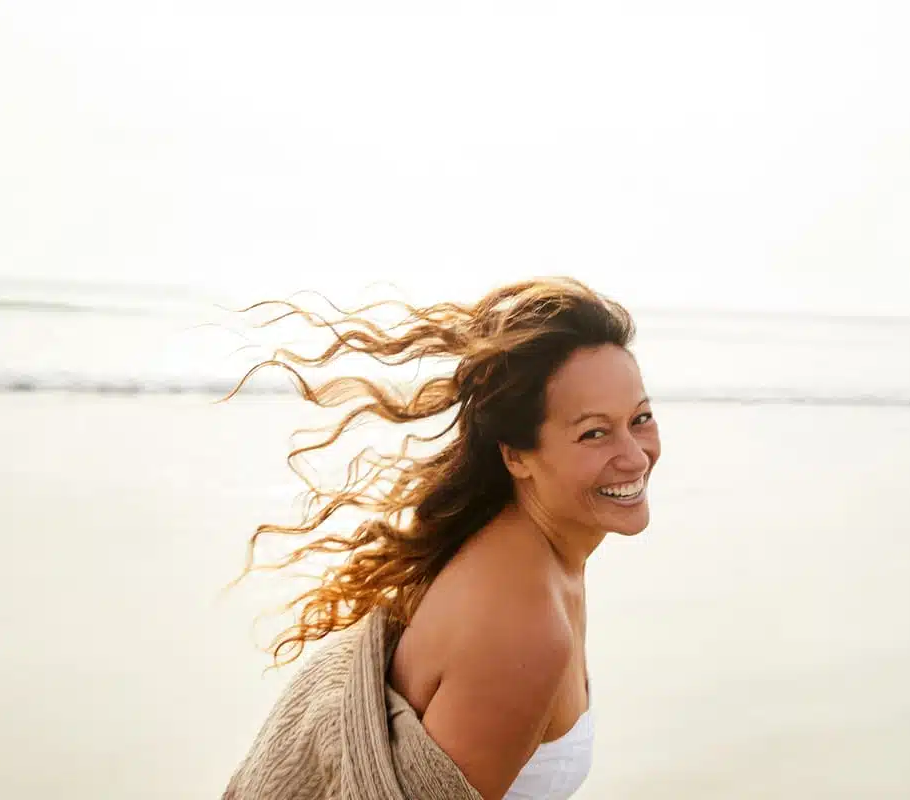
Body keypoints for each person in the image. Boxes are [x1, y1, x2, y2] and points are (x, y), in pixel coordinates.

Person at [222, 277, 662, 800]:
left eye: (640, 419)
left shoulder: (533, 556)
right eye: (593, 432)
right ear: (516, 455)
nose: (634, 455)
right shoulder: (522, 626)